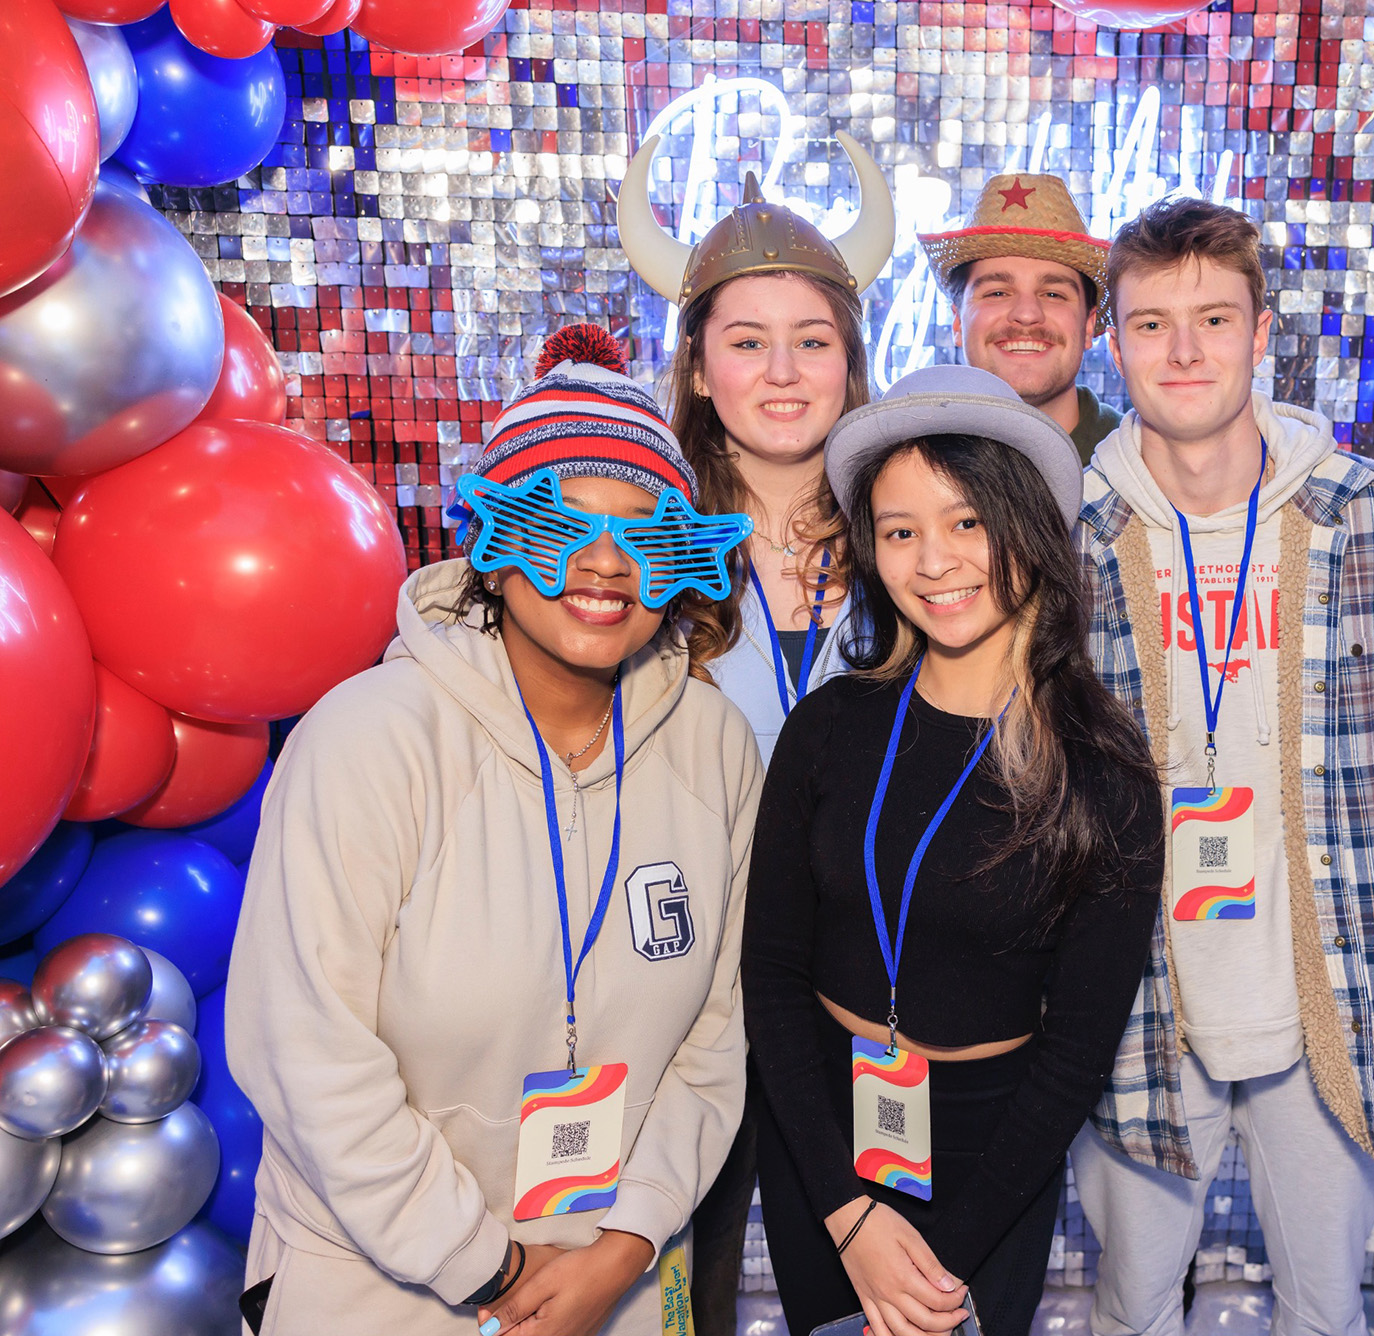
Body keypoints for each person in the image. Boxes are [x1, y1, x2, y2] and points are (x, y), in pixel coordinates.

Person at [227, 324, 762, 1336]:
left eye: (645, 533)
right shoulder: (368, 741)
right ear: (497, 540)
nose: (605, 565)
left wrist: (625, 1246)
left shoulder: (714, 747)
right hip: (382, 1292)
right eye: (563, 525)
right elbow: (307, 1055)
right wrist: (491, 1267)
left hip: (623, 1287)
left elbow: (716, 1036)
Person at [1069, 199, 1374, 1336]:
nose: (1183, 351)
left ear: (1263, 332)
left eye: (1213, 318)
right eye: (1151, 324)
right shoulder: (1069, 536)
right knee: (1131, 1306)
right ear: (1111, 344)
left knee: (1323, 1308)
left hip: (1340, 991)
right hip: (1137, 1002)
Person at [742, 365, 1165, 1336]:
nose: (934, 560)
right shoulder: (830, 728)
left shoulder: (1105, 775)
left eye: (967, 520)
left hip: (991, 1162)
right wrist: (849, 1214)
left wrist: (936, 1259)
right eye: (900, 531)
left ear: (1026, 528)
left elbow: (1073, 1059)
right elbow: (769, 977)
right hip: (823, 1139)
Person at [619, 131, 894, 1336]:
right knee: (689, 1286)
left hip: (858, 995)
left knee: (864, 1292)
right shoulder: (634, 551)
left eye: (813, 340)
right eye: (746, 341)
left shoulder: (913, 532)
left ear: (852, 360)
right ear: (696, 368)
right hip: (678, 996)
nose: (783, 373)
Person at [919, 175, 1122, 463]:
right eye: (998, 292)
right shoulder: (912, 462)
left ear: (1089, 326)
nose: (1027, 314)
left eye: (1053, 294)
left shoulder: (1147, 463)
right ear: (958, 323)